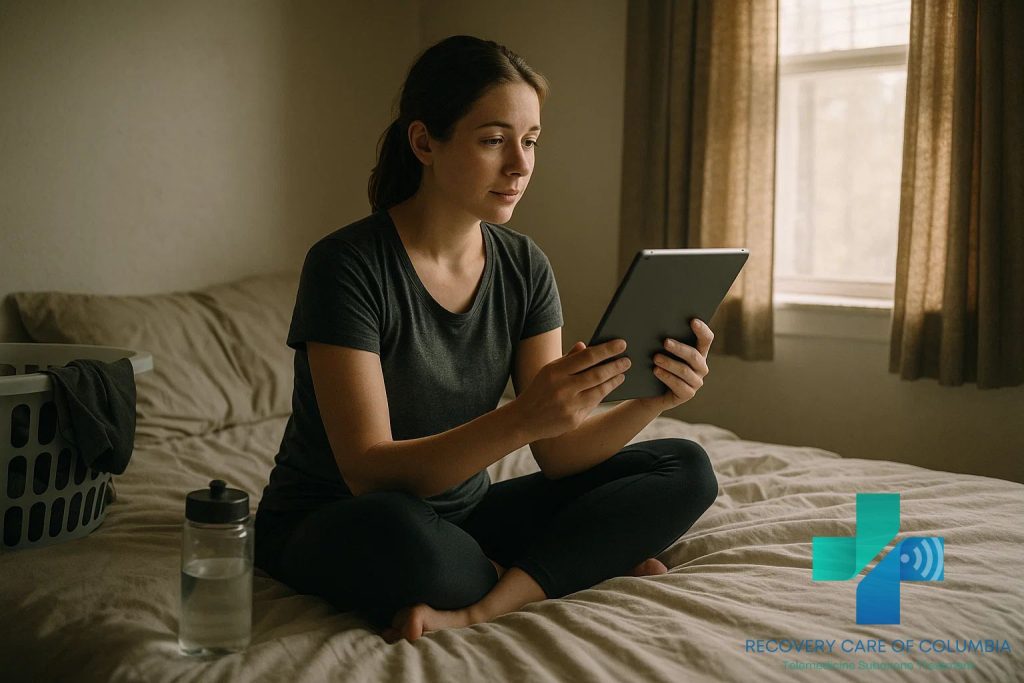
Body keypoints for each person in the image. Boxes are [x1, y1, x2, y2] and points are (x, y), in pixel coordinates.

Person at [254, 35, 719, 644]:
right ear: (424, 142)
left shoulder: (526, 267)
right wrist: (524, 419)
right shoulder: (346, 265)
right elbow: (368, 471)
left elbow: (557, 453)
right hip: (341, 517)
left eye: (530, 142)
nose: (520, 166)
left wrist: (653, 400)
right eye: (494, 140)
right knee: (405, 537)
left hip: (467, 516)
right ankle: (565, 565)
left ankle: (490, 599)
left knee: (685, 467)